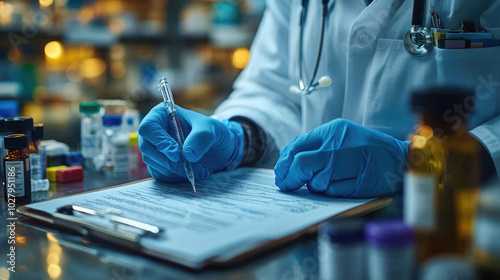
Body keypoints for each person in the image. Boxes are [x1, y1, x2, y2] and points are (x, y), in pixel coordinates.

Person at [138, 0, 500, 198]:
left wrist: (419, 162)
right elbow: (273, 87)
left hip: (462, 231)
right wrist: (241, 137)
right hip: (313, 233)